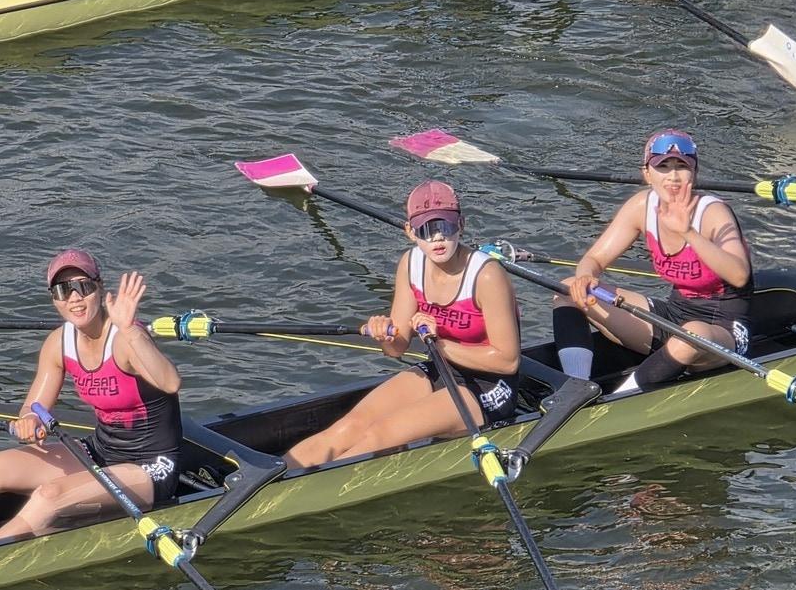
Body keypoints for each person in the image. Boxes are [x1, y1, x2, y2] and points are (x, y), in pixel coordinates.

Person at [0, 250, 182, 554]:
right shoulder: (58, 343)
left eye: (83, 286)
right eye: (63, 291)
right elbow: (33, 408)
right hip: (101, 452)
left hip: (151, 467)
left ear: (100, 287)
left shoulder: (125, 338)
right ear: (54, 299)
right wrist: (31, 420)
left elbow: (170, 383)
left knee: (48, 496)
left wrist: (131, 329)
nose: (74, 298)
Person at [286, 181, 521, 467]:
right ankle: (267, 481)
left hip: (488, 385)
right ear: (410, 231)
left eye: (445, 226)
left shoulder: (486, 275)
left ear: (461, 225)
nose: (437, 238)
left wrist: (440, 344)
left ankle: (318, 487)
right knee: (348, 428)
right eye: (426, 230)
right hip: (441, 368)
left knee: (380, 436)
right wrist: (384, 335)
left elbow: (508, 362)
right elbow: (396, 349)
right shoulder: (411, 264)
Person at [552, 129, 753, 393]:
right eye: (663, 167)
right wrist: (586, 277)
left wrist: (688, 232)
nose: (673, 176)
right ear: (647, 174)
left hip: (722, 330)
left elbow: (739, 275)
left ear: (694, 173)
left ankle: (621, 399)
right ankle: (576, 389)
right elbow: (594, 258)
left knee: (690, 335)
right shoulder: (641, 206)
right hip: (674, 316)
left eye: (682, 166)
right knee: (568, 290)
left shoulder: (713, 212)